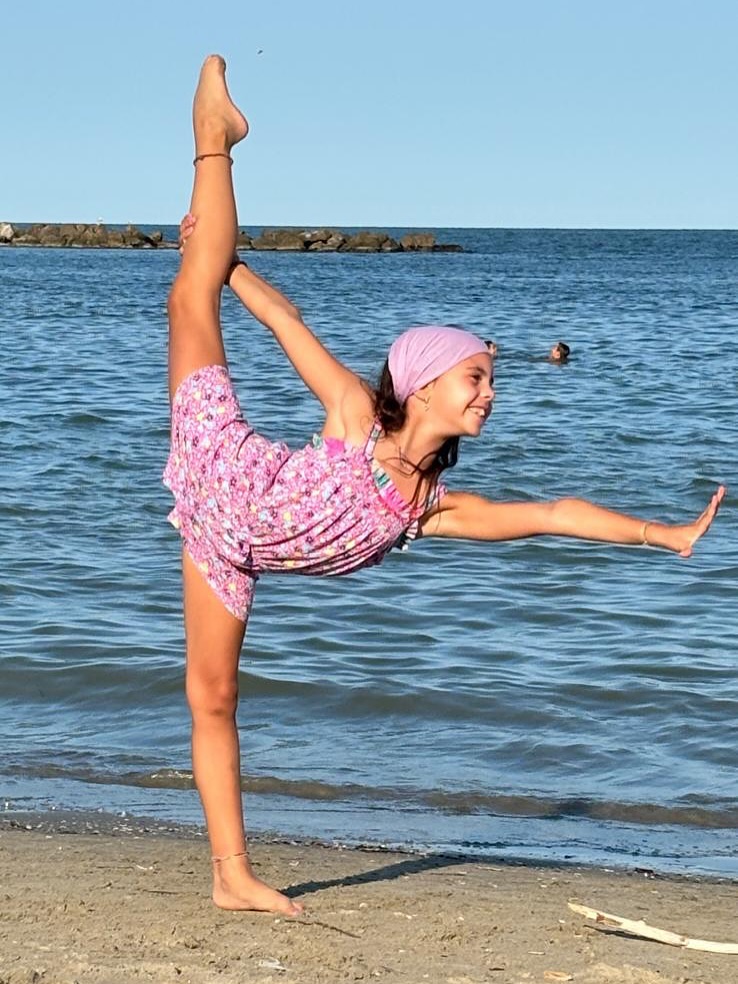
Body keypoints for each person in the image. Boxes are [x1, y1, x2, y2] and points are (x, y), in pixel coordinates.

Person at [166, 56, 725, 916]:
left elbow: (549, 515)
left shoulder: (426, 509)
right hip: (221, 462)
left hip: (224, 550)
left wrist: (665, 534)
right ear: (422, 384)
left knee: (214, 698)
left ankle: (229, 874)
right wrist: (226, 263)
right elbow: (287, 323)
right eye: (476, 378)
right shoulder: (354, 413)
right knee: (190, 293)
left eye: (490, 380)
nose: (488, 393)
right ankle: (217, 138)